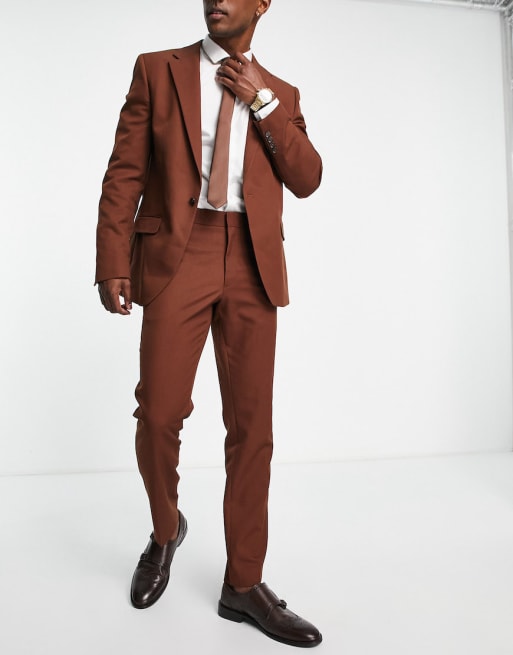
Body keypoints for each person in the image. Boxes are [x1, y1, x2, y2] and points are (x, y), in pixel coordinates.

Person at [95, 0, 322, 647]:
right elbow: (125, 170)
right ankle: (166, 530)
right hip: (178, 249)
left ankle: (243, 583)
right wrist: (112, 258)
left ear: (262, 4)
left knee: (252, 428)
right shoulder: (157, 69)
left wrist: (262, 103)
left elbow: (306, 177)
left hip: (253, 260)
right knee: (159, 412)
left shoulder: (281, 92)